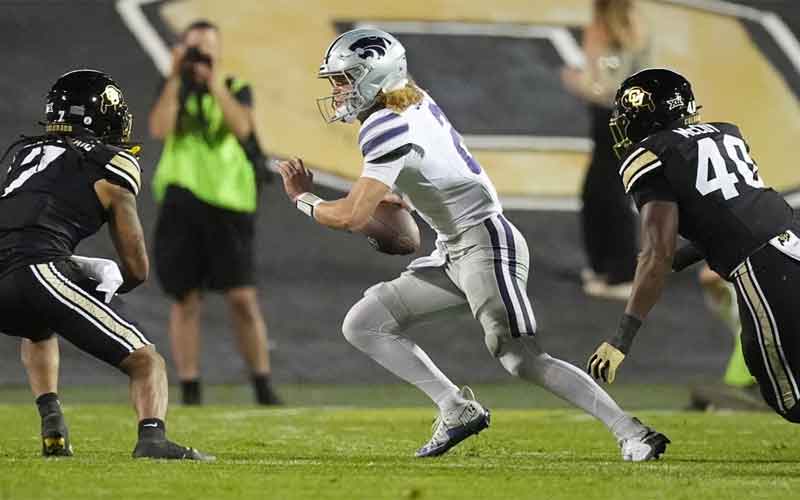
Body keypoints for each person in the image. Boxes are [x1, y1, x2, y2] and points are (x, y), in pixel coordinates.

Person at [277, 28, 668, 460]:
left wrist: (303, 198)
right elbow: (432, 162)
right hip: (455, 247)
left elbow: (350, 215)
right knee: (364, 323)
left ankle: (632, 431)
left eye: (346, 78)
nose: (338, 90)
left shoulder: (385, 124)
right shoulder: (408, 98)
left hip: (484, 241)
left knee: (520, 357)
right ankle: (455, 408)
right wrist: (405, 196)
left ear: (376, 74)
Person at [0, 69, 211, 459]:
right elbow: (137, 269)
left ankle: (52, 421)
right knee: (147, 361)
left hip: (14, 269)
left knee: (36, 326)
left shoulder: (24, 153)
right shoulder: (111, 162)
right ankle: (152, 439)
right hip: (38, 268)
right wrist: (104, 277)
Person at [587, 68, 800, 424]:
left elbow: (657, 253)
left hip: (765, 268)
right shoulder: (724, 133)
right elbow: (734, 213)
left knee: (789, 397)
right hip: (791, 239)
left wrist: (621, 341)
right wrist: (672, 261)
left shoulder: (650, 154)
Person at [149, 20, 280, 406]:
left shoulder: (234, 86)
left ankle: (262, 385)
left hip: (229, 203)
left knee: (242, 298)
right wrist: (176, 77)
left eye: (208, 48)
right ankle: (190, 388)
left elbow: (242, 128)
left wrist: (215, 81)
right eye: (194, 48)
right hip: (181, 201)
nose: (201, 55)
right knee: (185, 299)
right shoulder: (173, 87)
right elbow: (159, 128)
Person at [561, 0, 651, 300]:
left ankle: (622, 272)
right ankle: (601, 265)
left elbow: (617, 89)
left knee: (611, 193)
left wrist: (581, 85)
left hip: (620, 121)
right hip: (605, 122)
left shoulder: (625, 33)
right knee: (595, 193)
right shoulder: (608, 27)